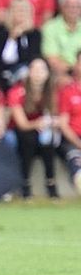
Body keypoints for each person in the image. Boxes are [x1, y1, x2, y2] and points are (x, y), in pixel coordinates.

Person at [8, 57, 60, 199]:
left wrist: (53, 122)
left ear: (48, 73)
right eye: (34, 69)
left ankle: (51, 182)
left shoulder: (52, 91)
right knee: (29, 139)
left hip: (42, 129)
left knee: (48, 141)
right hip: (20, 130)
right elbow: (22, 124)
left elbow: (57, 115)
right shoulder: (17, 91)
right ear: (28, 72)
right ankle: (25, 182)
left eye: (42, 69)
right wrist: (39, 123)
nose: (38, 73)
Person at [0, 0, 41, 90]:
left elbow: (31, 59)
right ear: (9, 12)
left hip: (25, 74)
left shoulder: (34, 34)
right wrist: (12, 38)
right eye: (17, 10)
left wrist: (21, 35)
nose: (21, 13)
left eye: (24, 10)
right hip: (2, 71)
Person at [41, 0, 81, 81]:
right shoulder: (50, 27)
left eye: (77, 6)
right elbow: (52, 60)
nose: (73, 10)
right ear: (61, 7)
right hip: (60, 74)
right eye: (69, 6)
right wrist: (74, 70)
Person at [56, 52, 81, 193]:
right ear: (76, 65)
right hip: (73, 139)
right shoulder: (67, 91)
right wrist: (78, 143)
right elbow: (63, 124)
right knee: (75, 161)